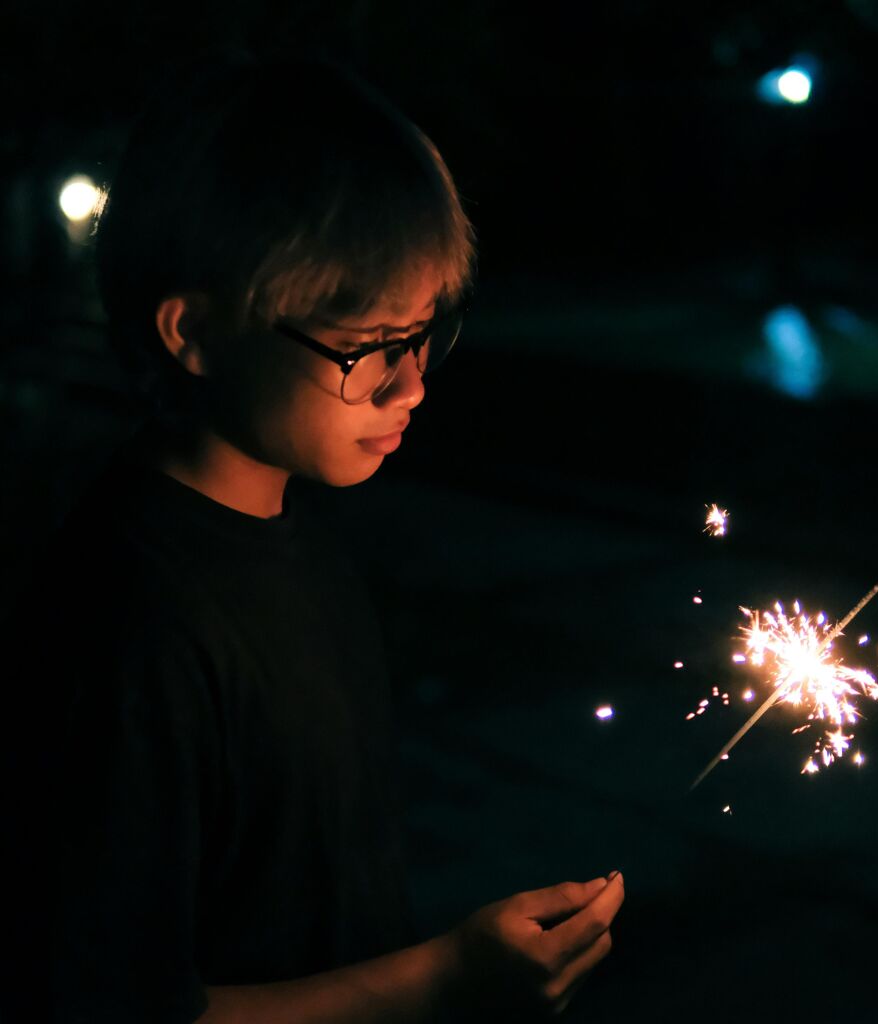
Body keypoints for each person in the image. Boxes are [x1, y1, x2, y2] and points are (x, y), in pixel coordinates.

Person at [1, 54, 624, 1023]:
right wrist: (444, 980)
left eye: (425, 333)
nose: (410, 383)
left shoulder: (299, 539)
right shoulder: (133, 628)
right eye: (367, 346)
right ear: (194, 333)